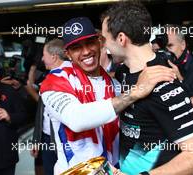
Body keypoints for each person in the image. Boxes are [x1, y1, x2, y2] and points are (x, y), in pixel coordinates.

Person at [39, 17, 176, 175]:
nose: (85, 51)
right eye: (76, 47)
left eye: (90, 42)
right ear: (67, 53)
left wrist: (188, 101)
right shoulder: (54, 81)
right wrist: (133, 93)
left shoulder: (116, 85)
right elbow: (76, 119)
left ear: (99, 42)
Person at [101, 2, 193, 175]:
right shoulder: (123, 72)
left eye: (104, 39)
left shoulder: (164, 83)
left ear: (121, 39)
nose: (104, 46)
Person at [31, 39, 65, 175]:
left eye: (44, 55)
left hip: (64, 141)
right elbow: (40, 114)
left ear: (53, 57)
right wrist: (36, 140)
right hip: (46, 139)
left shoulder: (70, 77)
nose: (42, 58)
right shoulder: (46, 78)